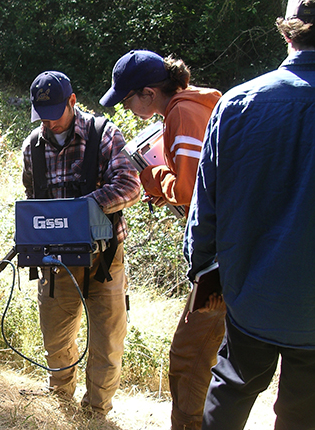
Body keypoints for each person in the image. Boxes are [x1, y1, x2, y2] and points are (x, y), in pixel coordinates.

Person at [184, 0, 315, 428]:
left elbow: (206, 209)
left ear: (286, 33)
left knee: (232, 390)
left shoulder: (239, 103)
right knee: (301, 413)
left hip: (250, 299)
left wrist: (204, 271)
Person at [100, 50, 224, 430]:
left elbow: (188, 188)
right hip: (236, 246)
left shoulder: (181, 113)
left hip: (222, 254)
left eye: (128, 99)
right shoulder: (200, 103)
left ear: (149, 93)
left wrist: (152, 177)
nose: (127, 107)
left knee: (188, 357)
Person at [21, 71, 140, 417]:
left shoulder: (103, 134)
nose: (49, 121)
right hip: (55, 263)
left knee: (107, 341)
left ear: (73, 102)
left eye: (56, 112)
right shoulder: (33, 147)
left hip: (105, 260)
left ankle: (96, 412)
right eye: (42, 114)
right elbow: (32, 199)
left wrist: (82, 208)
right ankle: (60, 404)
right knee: (56, 341)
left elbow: (130, 185)